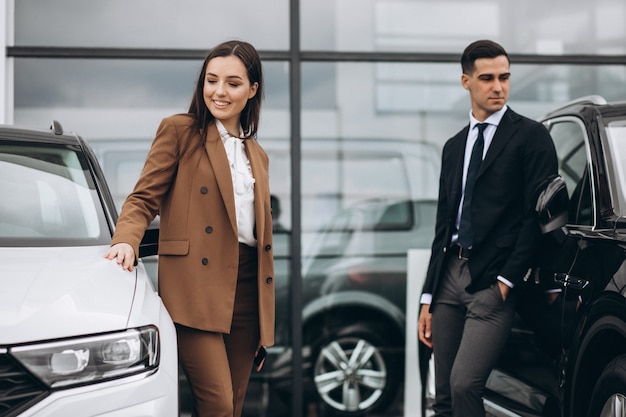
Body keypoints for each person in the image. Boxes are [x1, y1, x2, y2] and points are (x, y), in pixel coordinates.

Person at [104, 40, 275, 417]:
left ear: (252, 90)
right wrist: (126, 241)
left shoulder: (257, 156)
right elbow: (143, 198)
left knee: (233, 405)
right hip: (196, 285)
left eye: (232, 83)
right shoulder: (180, 131)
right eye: (211, 80)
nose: (219, 91)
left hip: (247, 290)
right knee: (216, 404)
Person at [417, 39, 558, 417]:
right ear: (466, 82)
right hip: (449, 277)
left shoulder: (531, 137)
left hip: (493, 281)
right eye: (487, 78)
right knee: (443, 394)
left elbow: (536, 217)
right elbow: (443, 223)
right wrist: (427, 297)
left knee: (466, 385)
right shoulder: (453, 146)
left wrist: (507, 280)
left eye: (504, 77)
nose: (498, 86)